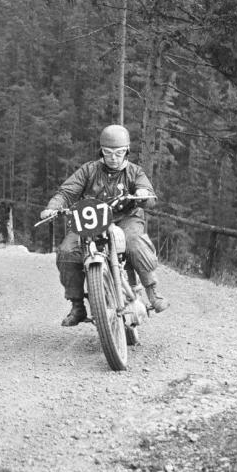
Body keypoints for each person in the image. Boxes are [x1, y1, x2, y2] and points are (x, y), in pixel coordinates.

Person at [40, 124, 169, 326]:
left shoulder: (135, 172)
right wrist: (53, 207)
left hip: (126, 218)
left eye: (118, 153)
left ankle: (152, 292)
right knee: (67, 251)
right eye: (108, 153)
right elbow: (67, 192)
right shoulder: (89, 170)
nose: (113, 158)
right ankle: (77, 306)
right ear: (102, 151)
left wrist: (143, 194)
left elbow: (148, 195)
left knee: (134, 241)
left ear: (126, 151)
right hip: (92, 220)